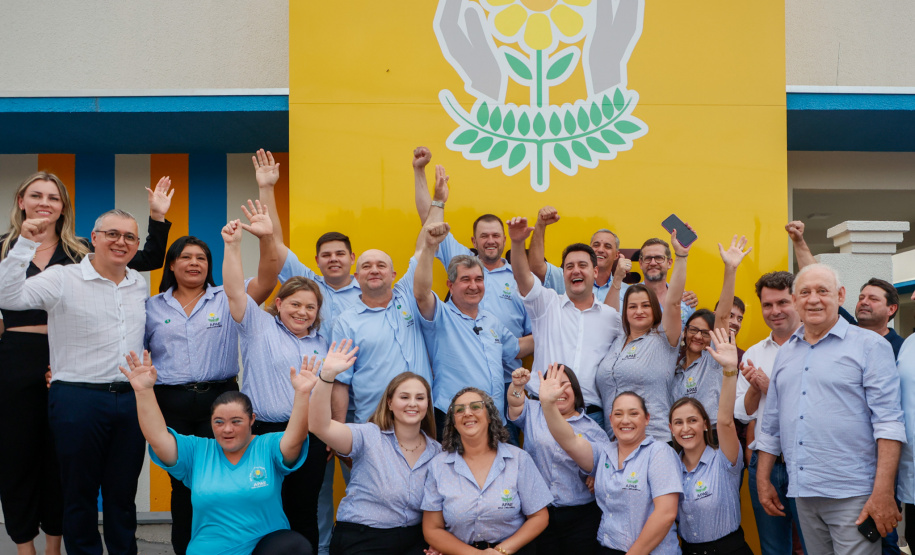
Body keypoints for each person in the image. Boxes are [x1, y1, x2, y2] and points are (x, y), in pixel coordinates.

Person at [0, 172, 172, 555]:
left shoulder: (136, 283)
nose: (120, 242)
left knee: (121, 495)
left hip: (127, 399)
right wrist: (25, 241)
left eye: (128, 237)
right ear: (93, 237)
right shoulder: (60, 276)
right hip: (69, 392)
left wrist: (158, 218)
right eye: (112, 234)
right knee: (68, 489)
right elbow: (9, 296)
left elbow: (147, 264)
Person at [145, 213, 278, 553]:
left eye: (201, 258)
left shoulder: (227, 296)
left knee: (222, 479)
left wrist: (260, 239)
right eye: (186, 257)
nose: (194, 263)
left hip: (219, 402)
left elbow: (268, 278)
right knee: (182, 485)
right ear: (171, 265)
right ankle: (186, 548)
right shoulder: (151, 307)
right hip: (170, 402)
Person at [254, 148, 361, 555]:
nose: (333, 260)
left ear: (352, 258)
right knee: (314, 494)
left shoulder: (370, 292)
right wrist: (267, 189)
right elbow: (275, 243)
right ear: (316, 261)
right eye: (326, 255)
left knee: (361, 487)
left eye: (340, 254)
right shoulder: (307, 286)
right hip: (315, 406)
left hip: (359, 403)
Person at [756, 264, 905, 555]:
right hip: (803, 493)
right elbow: (772, 424)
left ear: (840, 295)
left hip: (854, 495)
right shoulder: (786, 353)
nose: (813, 299)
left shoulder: (870, 346)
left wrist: (884, 491)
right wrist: (763, 480)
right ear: (795, 300)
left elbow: (888, 423)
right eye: (805, 292)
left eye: (822, 291)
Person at [120, 349, 313, 555]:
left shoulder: (267, 446)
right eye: (219, 422)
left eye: (236, 422)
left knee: (294, 545)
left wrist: (302, 394)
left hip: (263, 550)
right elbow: (158, 438)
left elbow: (295, 440)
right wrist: (143, 391)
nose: (227, 429)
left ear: (252, 420)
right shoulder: (197, 451)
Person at [222, 202, 328, 552]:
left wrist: (328, 430)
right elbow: (234, 291)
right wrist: (233, 246)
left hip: (310, 437)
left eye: (310, 307)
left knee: (304, 511)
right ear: (279, 304)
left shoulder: (323, 343)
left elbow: (332, 390)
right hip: (264, 434)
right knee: (263, 511)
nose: (302, 312)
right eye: (295, 304)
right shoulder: (258, 326)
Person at [307, 340, 442, 555]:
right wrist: (328, 376)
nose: (412, 403)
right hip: (362, 537)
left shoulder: (437, 452)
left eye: (420, 398)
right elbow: (319, 426)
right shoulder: (368, 435)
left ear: (427, 404)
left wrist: (438, 543)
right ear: (389, 403)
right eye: (404, 397)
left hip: (414, 539)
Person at [540, 366, 683, 554]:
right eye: (618, 414)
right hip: (607, 547)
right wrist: (548, 404)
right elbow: (569, 440)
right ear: (611, 419)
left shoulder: (659, 453)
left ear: (647, 418)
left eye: (633, 413)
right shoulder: (604, 452)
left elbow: (666, 514)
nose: (625, 420)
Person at [414, 220, 532, 435]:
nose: (473, 286)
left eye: (479, 279)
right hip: (454, 420)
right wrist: (430, 247)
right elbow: (421, 294)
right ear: (450, 285)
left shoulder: (491, 321)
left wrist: (552, 329)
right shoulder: (440, 315)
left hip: (493, 421)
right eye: (465, 279)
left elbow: (516, 348)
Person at [507, 216, 622, 427]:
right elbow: (523, 276)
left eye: (582, 265)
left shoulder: (611, 317)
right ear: (564, 273)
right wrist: (516, 242)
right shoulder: (546, 304)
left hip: (591, 416)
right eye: (569, 266)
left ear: (595, 271)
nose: (575, 270)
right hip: (544, 411)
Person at [330, 213, 435, 425]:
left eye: (381, 265)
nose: (374, 271)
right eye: (366, 266)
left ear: (393, 274)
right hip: (374, 422)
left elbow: (423, 248)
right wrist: (339, 430)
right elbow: (340, 381)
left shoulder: (408, 295)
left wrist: (438, 202)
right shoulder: (345, 322)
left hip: (420, 419)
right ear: (356, 277)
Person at [422, 388, 552, 554]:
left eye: (475, 407)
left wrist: (500, 551)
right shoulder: (438, 466)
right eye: (459, 410)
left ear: (490, 416)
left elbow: (539, 517)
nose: (467, 413)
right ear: (453, 423)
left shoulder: (519, 459)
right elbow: (432, 529)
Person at [594, 226, 691, 442]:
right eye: (632, 306)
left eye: (646, 306)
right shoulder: (617, 340)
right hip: (615, 441)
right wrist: (617, 279)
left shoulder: (664, 337)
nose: (639, 311)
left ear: (655, 309)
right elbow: (608, 314)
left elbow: (674, 303)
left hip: (654, 440)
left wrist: (681, 256)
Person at [735, 271, 807, 555]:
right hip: (765, 465)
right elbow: (744, 413)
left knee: (814, 546)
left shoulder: (816, 345)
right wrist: (756, 388)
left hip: (806, 461)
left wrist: (770, 388)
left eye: (782, 302)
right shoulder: (754, 352)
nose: (775, 311)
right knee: (773, 549)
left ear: (797, 301)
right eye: (767, 305)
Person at [526, 205, 699, 318]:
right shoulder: (566, 277)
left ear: (617, 255)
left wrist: (681, 296)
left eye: (607, 246)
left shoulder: (626, 291)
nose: (600, 249)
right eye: (596, 245)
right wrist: (540, 225)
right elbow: (535, 266)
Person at [507, 365, 609, 553]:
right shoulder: (534, 411)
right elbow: (515, 404)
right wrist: (517, 386)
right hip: (538, 514)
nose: (559, 391)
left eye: (564, 385)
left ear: (575, 390)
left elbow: (606, 467)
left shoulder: (592, 429)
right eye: (552, 385)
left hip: (580, 517)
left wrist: (596, 473)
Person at [671, 328, 753, 554]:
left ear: (706, 424)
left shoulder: (723, 459)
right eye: (678, 422)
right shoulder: (670, 466)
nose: (686, 428)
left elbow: (725, 421)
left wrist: (729, 370)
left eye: (692, 420)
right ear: (671, 429)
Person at [672, 235, 750, 440]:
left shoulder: (714, 359)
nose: (698, 336)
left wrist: (730, 269)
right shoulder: (675, 367)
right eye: (693, 330)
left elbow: (723, 315)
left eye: (705, 333)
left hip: (713, 435)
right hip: (682, 437)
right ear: (684, 331)